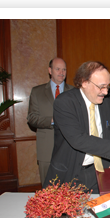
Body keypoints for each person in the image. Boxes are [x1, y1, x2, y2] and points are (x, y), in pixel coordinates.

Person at [43, 61, 110, 193]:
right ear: (84, 82)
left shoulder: (106, 104)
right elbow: (79, 139)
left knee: (102, 211)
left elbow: (109, 135)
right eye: (101, 87)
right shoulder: (65, 102)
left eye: (107, 86)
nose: (105, 92)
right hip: (70, 174)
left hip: (99, 172)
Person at [27, 57, 74, 186]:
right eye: (57, 69)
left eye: (64, 69)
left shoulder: (74, 92)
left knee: (70, 189)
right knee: (48, 191)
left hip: (69, 148)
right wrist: (52, 120)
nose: (61, 72)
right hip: (46, 149)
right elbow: (31, 118)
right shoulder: (37, 92)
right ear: (50, 70)